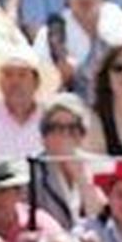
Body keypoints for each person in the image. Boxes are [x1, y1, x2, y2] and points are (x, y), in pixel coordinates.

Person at [0, 39, 59, 159]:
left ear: (36, 82)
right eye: (8, 75)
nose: (15, 82)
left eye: (22, 75)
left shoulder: (54, 121)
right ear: (0, 82)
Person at [28, 92, 105, 231]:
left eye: (73, 128)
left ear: (82, 135)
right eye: (56, 128)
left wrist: (82, 178)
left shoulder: (99, 167)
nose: (65, 135)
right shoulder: (32, 170)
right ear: (43, 136)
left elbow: (101, 217)